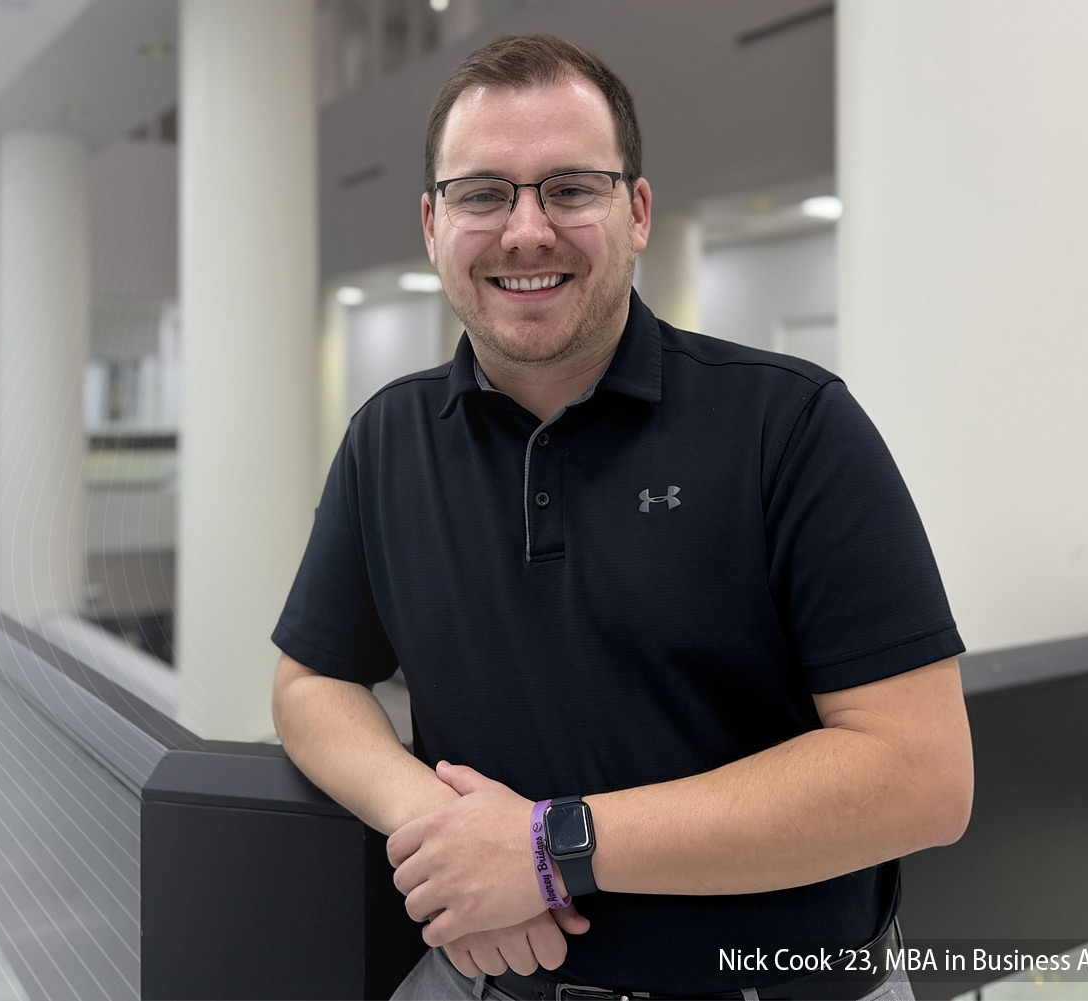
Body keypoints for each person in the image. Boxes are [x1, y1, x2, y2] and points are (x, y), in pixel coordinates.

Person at [270, 34, 970, 1001]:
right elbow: (310, 682)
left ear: (637, 211)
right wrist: (442, 827)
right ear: (432, 224)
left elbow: (921, 775)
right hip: (481, 985)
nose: (526, 231)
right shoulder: (388, 438)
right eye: (484, 194)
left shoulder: (792, 424)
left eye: (570, 188)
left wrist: (548, 850)